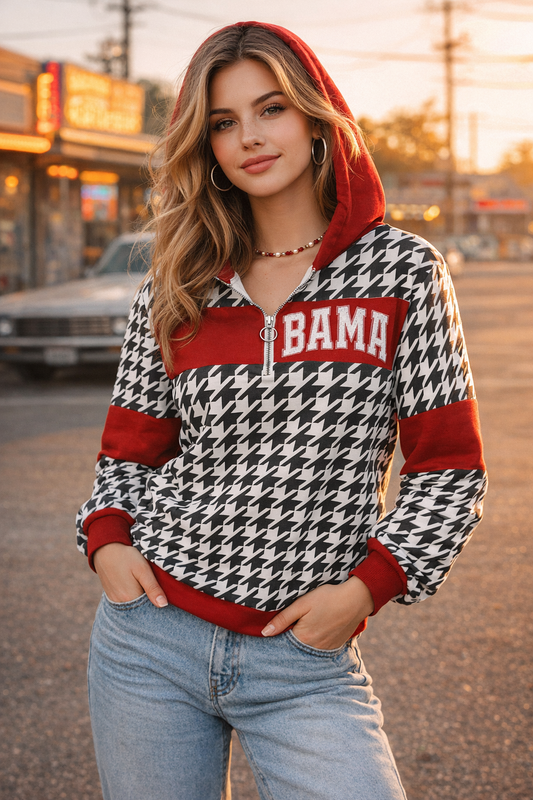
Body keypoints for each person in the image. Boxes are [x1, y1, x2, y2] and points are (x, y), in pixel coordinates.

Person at [77, 21, 487, 800]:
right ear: (205, 146)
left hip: (302, 661)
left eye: (270, 109)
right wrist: (107, 545)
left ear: (313, 115)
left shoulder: (401, 272)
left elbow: (448, 470)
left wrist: (365, 589)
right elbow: (126, 455)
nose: (249, 138)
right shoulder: (180, 284)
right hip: (147, 639)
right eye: (223, 123)